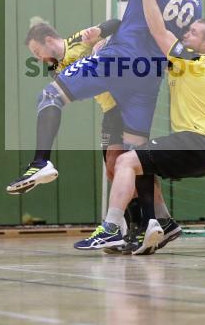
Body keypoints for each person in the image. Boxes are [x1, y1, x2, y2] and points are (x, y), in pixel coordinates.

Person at [5, 0, 202, 245]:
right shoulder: (196, 1)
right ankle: (152, 223)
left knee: (50, 94)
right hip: (149, 76)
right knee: (135, 157)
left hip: (121, 60)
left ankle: (41, 162)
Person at [74, 0, 205, 255]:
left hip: (195, 143)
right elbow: (148, 57)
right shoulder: (199, 64)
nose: (185, 33)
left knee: (126, 162)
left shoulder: (191, 59)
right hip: (203, 147)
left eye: (192, 32)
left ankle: (112, 227)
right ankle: (162, 223)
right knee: (140, 161)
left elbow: (157, 30)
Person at [18, 19, 125, 194]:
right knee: (113, 170)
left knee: (127, 164)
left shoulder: (79, 39)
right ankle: (131, 217)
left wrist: (100, 30)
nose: (37, 58)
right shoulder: (54, 69)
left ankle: (149, 217)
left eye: (37, 52)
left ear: (49, 40)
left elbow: (117, 22)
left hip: (124, 104)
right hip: (109, 111)